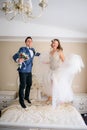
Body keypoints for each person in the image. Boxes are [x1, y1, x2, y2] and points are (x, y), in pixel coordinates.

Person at [35, 39, 84, 108]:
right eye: (53, 43)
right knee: (51, 85)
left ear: (58, 44)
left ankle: (60, 100)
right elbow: (51, 61)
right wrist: (45, 63)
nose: (54, 44)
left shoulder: (59, 52)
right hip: (51, 70)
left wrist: (69, 65)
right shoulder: (50, 52)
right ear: (52, 44)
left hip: (57, 71)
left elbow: (64, 61)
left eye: (56, 43)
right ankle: (51, 97)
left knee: (57, 85)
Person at [13, 36, 40, 108]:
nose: (30, 42)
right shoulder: (23, 49)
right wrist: (18, 59)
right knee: (22, 86)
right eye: (28, 41)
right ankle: (21, 101)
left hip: (29, 70)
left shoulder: (33, 50)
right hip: (23, 70)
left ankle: (26, 97)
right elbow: (15, 55)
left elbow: (36, 54)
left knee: (29, 84)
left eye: (31, 41)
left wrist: (44, 55)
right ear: (26, 42)